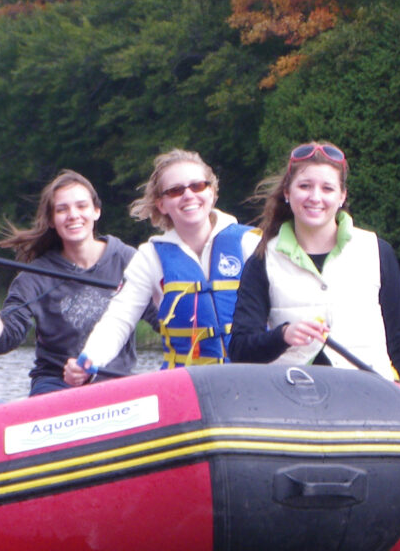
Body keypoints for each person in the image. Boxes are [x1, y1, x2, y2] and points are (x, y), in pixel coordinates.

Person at [228, 141, 400, 403]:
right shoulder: (261, 259)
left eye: (327, 188)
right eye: (304, 186)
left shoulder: (377, 251)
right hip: (289, 400)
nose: (315, 197)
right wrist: (282, 335)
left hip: (368, 398)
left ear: (341, 197)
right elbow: (240, 349)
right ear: (287, 192)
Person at [62, 149, 261, 385]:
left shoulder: (250, 243)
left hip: (252, 378)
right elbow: (119, 319)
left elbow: (280, 310)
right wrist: (89, 360)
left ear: (212, 193)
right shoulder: (150, 257)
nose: (188, 195)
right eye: (176, 191)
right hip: (187, 383)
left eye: (197, 186)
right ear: (162, 204)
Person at [0, 170, 155, 396]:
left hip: (117, 385)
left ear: (96, 211)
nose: (73, 215)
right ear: (51, 220)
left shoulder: (130, 260)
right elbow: (1, 342)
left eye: (81, 206)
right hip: (56, 387)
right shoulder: (35, 276)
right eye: (62, 209)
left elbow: (165, 321)